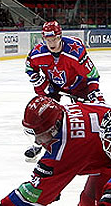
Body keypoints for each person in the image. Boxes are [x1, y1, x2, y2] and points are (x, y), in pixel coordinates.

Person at [23, 21, 104, 161]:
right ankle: (38, 145)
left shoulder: (75, 50)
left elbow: (92, 74)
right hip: (54, 87)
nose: (51, 43)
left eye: (54, 39)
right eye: (48, 40)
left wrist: (94, 93)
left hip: (79, 86)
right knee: (43, 116)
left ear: (60, 37)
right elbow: (30, 67)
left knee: (92, 116)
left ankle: (101, 143)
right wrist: (38, 81)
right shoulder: (37, 53)